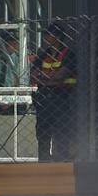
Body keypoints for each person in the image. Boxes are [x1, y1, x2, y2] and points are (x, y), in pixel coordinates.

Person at [30, 23, 77, 162]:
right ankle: (44, 160)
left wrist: (44, 78)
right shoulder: (43, 54)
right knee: (43, 132)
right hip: (43, 99)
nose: (46, 37)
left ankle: (62, 159)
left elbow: (61, 75)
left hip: (62, 98)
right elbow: (32, 76)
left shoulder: (69, 54)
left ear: (57, 37)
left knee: (61, 131)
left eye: (49, 35)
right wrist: (52, 79)